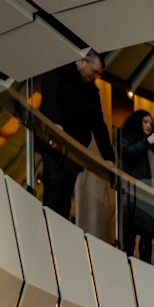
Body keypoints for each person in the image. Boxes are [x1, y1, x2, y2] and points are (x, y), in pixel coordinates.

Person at [37, 51, 115, 221]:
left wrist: (109, 158)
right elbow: (50, 95)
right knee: (54, 187)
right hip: (54, 144)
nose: (95, 77)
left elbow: (99, 126)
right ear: (82, 61)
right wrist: (56, 125)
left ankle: (58, 234)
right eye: (94, 71)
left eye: (98, 74)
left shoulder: (93, 93)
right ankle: (48, 228)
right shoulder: (59, 72)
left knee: (65, 194)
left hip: (74, 152)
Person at [118, 110, 154, 261]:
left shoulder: (152, 147)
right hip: (133, 196)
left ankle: (144, 270)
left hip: (150, 200)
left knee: (147, 241)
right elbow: (126, 154)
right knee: (129, 238)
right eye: (145, 122)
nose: (149, 125)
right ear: (136, 121)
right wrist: (146, 142)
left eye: (151, 123)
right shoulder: (126, 134)